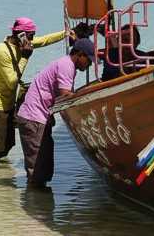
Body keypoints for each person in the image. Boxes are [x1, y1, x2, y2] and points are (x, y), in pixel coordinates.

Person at [0, 17, 70, 166]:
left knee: (8, 145)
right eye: (30, 36)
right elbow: (12, 83)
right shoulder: (2, 52)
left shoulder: (21, 43)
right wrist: (25, 57)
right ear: (21, 35)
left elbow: (44, 40)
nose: (31, 40)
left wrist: (67, 33)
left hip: (10, 104)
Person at [16, 38, 95, 189]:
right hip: (34, 118)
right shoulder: (67, 66)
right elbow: (65, 94)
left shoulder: (66, 64)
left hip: (38, 118)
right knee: (37, 169)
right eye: (88, 60)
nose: (90, 64)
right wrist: (86, 98)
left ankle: (41, 205)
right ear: (79, 54)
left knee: (44, 167)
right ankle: (35, 206)